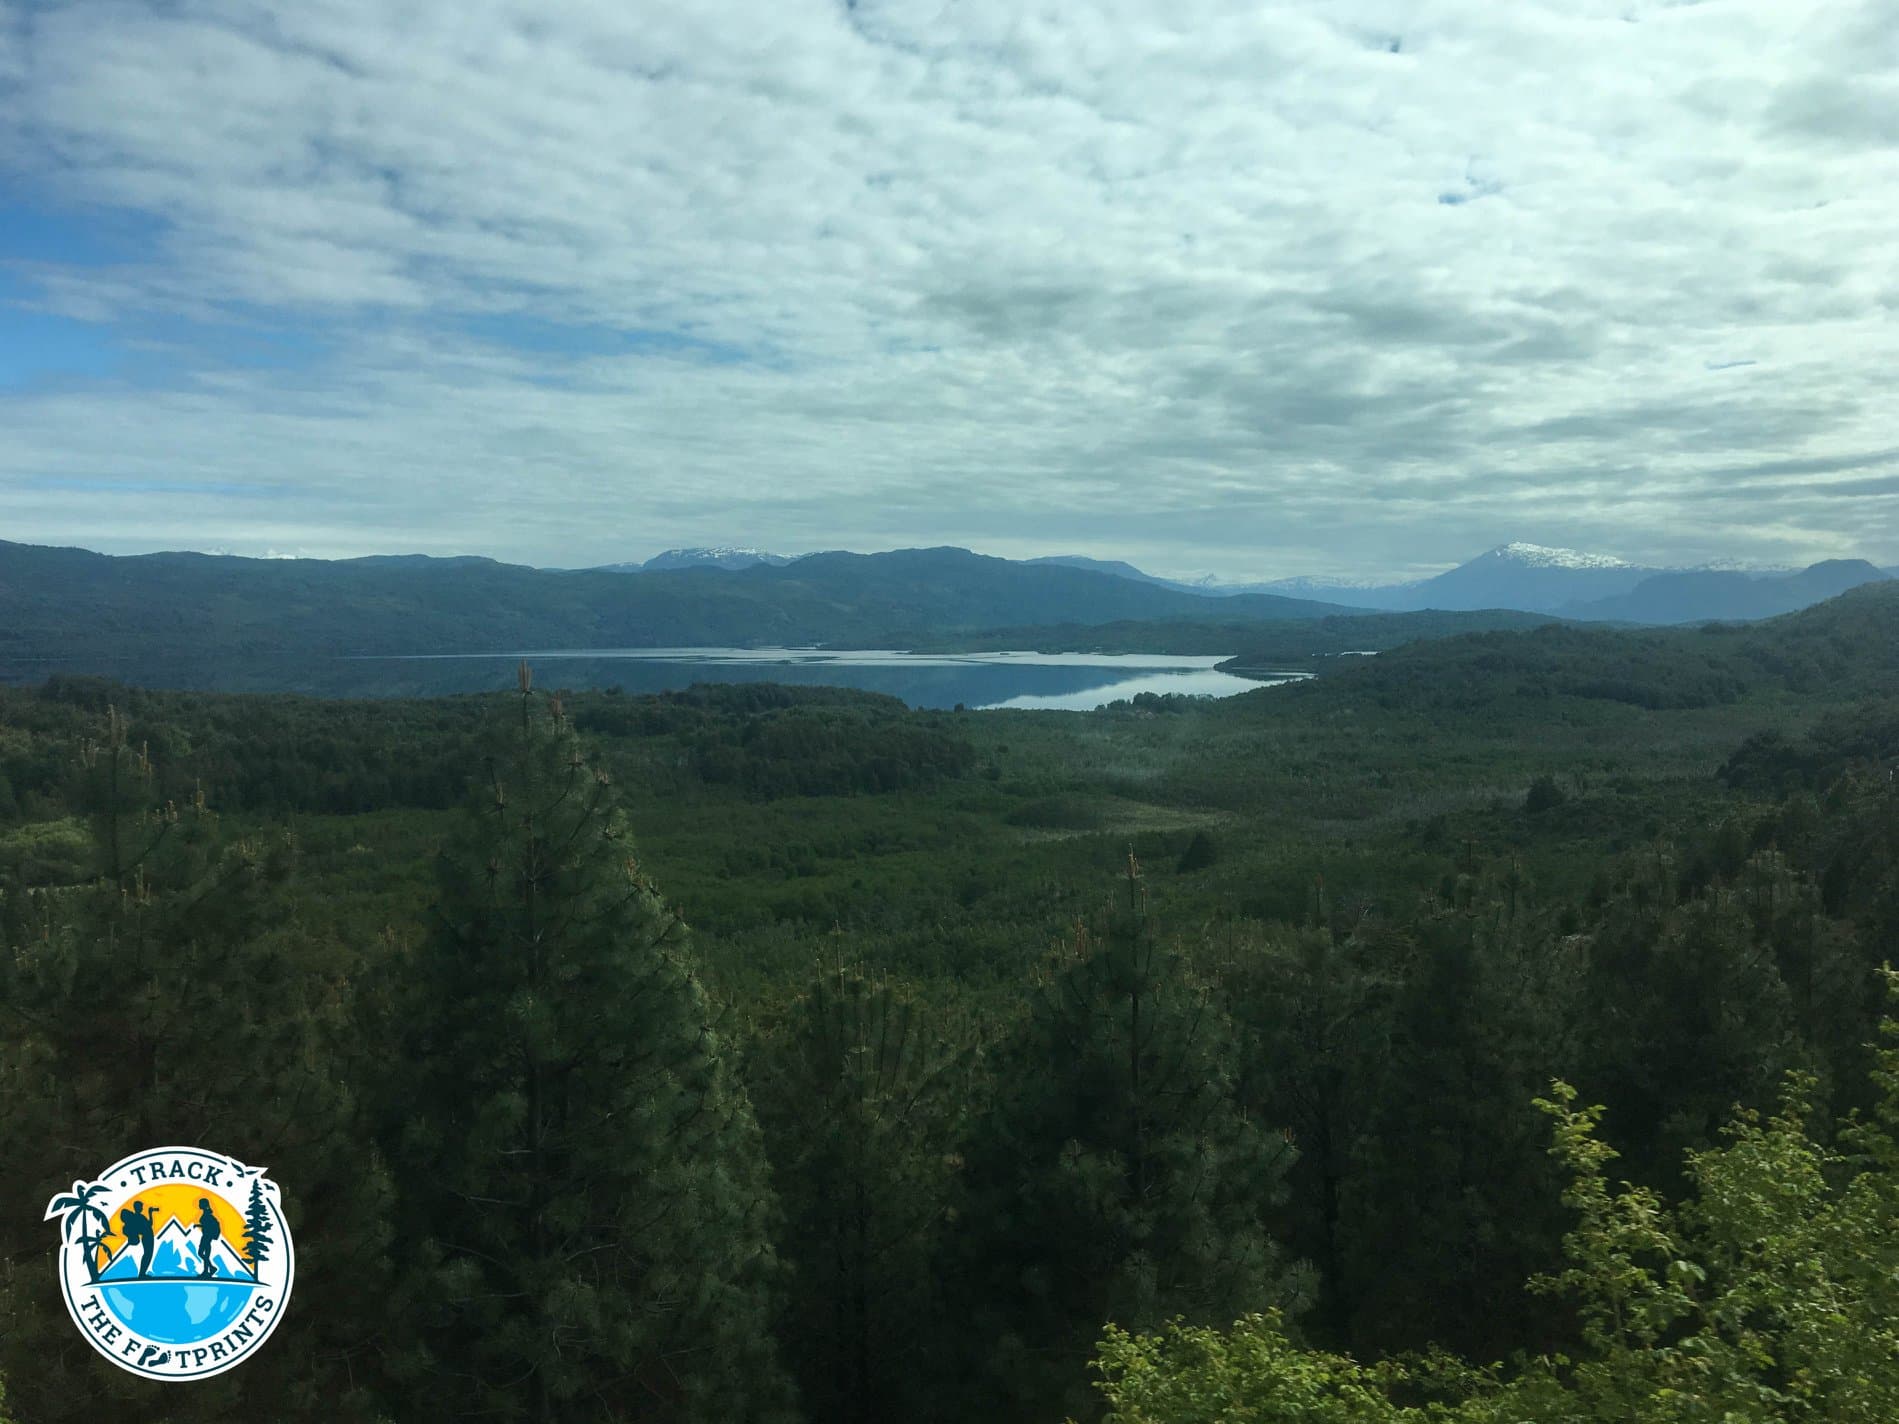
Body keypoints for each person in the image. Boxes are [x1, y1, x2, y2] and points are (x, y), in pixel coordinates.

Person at [120, 1201, 155, 1277]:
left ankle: (142, 1273)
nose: (142, 1208)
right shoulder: (139, 1217)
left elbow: (148, 1225)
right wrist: (150, 1213)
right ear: (138, 1208)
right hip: (147, 1237)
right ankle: (142, 1274)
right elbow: (149, 1224)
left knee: (147, 1255)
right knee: (147, 1255)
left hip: (147, 1236)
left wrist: (150, 1213)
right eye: (141, 1207)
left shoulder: (138, 1217)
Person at [196, 1198, 222, 1277]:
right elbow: (206, 1225)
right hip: (207, 1236)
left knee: (201, 1253)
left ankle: (209, 1269)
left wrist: (200, 1225)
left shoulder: (207, 1214)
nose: (199, 1205)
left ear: (203, 1205)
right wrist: (199, 1225)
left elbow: (208, 1225)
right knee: (205, 1254)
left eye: (200, 1203)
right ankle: (208, 1270)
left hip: (207, 1236)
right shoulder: (206, 1213)